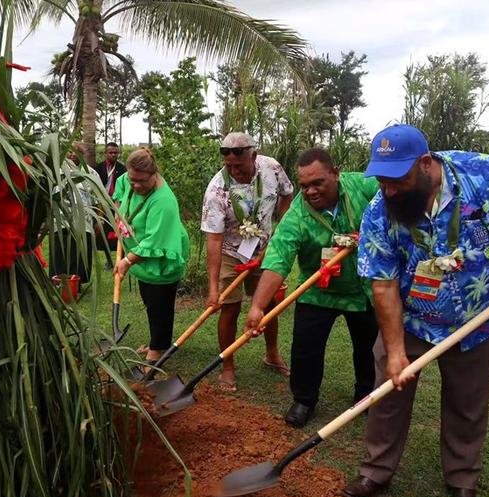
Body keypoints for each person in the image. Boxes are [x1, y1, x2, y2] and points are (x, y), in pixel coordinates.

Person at [341, 124, 489, 497]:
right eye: (382, 181)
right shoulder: (380, 211)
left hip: (478, 319)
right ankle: (376, 471)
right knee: (388, 395)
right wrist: (395, 351)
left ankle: (462, 479)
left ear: (426, 164)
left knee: (467, 403)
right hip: (412, 321)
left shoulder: (482, 173)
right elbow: (384, 284)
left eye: (397, 180)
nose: (388, 190)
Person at [244, 147, 379, 427]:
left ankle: (366, 396)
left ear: (336, 174)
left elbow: (396, 188)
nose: (311, 191)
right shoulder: (297, 216)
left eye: (318, 183)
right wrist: (258, 306)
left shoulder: (363, 186)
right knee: (306, 347)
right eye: (304, 186)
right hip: (317, 287)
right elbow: (278, 258)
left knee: (367, 346)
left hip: (363, 287)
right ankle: (304, 400)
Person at [201, 132, 293, 391]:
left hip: (266, 249)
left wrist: (281, 228)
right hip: (231, 251)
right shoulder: (217, 190)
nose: (233, 170)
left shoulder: (272, 168)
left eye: (238, 165)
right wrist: (213, 288)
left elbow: (288, 193)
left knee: (268, 303)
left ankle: (272, 354)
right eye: (228, 166)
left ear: (254, 155)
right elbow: (214, 240)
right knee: (229, 307)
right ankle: (228, 365)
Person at [112, 149, 189, 364]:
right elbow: (120, 186)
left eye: (141, 181)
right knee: (150, 300)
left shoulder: (163, 201)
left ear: (153, 174)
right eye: (132, 179)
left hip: (161, 256)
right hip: (142, 255)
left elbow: (154, 241)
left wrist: (127, 261)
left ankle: (158, 349)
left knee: (160, 302)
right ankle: (159, 340)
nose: (135, 185)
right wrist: (120, 214)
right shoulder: (127, 180)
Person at [50, 142, 97, 284]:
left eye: (76, 152)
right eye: (69, 151)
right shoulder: (56, 172)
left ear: (82, 154)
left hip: (84, 222)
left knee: (79, 252)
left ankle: (77, 281)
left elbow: (97, 198)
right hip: (61, 220)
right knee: (61, 250)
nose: (72, 154)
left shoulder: (90, 173)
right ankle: (58, 280)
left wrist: (99, 219)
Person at [95, 142, 127, 269]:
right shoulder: (99, 168)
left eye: (116, 153)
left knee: (121, 231)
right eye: (111, 153)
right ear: (105, 153)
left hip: (117, 204)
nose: (113, 155)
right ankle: (108, 260)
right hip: (102, 204)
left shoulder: (122, 168)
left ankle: (123, 258)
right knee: (103, 233)